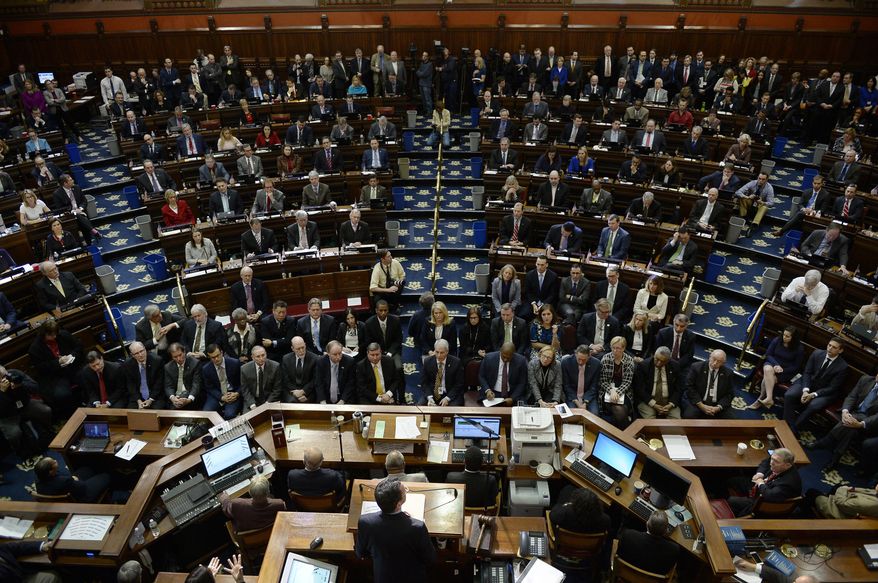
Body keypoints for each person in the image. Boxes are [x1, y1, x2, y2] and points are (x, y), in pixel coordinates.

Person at [355, 477, 436, 583]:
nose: (406, 491)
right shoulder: (417, 527)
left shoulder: (365, 522)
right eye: (405, 491)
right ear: (398, 504)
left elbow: (360, 553)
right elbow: (430, 558)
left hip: (383, 576)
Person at [808, 372, 878, 471]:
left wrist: (861, 424)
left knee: (850, 423)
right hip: (853, 412)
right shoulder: (866, 379)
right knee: (851, 429)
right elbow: (852, 396)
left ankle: (825, 441)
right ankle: (835, 459)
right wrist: (845, 411)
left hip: (870, 421)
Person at [782, 337, 848, 435]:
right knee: (789, 395)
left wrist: (813, 395)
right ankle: (786, 424)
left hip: (825, 392)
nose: (829, 348)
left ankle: (793, 429)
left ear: (840, 350)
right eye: (829, 345)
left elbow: (832, 387)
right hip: (808, 383)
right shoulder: (817, 353)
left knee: (813, 405)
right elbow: (807, 372)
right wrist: (805, 390)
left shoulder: (843, 367)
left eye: (834, 347)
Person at [727, 449, 802, 517]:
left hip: (763, 501)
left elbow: (769, 495)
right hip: (759, 486)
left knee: (731, 501)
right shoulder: (778, 460)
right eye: (772, 459)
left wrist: (760, 483)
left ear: (787, 465)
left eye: (776, 461)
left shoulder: (788, 484)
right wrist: (760, 473)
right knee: (732, 481)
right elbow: (765, 462)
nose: (771, 463)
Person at [0, 364, 51, 456]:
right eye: (2, 378)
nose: (6, 379)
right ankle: (19, 450)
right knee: (14, 435)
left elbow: (35, 387)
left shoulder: (14, 373)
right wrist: (2, 392)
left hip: (25, 405)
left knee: (45, 411)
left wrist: (21, 385)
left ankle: (48, 431)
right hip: (7, 416)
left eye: (6, 375)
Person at [750, 326, 804, 410]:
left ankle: (760, 400)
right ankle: (769, 398)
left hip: (785, 372)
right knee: (768, 369)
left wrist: (782, 370)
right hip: (772, 363)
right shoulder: (777, 340)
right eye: (784, 335)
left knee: (766, 380)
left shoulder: (799, 349)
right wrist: (775, 365)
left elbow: (796, 367)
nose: (784, 337)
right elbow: (768, 355)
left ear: (793, 338)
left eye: (787, 336)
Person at [616, 511, 680, 577]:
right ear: (665, 531)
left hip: (625, 574)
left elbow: (619, 551)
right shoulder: (674, 550)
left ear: (647, 524)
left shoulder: (628, 535)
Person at [219, 475, 284, 532]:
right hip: (269, 535)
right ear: (268, 491)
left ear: (250, 492)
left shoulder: (237, 504)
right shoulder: (279, 504)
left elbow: (227, 511)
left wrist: (225, 499)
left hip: (247, 540)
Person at [684, 349, 735, 419]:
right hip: (699, 402)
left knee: (731, 422)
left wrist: (718, 407)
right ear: (710, 357)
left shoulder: (728, 373)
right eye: (714, 359)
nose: (715, 363)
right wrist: (701, 405)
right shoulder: (696, 367)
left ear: (723, 363)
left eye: (719, 362)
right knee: (689, 417)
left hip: (717, 404)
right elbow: (689, 387)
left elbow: (729, 394)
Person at [34, 456, 110, 503]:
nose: (56, 460)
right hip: (82, 495)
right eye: (54, 462)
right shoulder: (64, 481)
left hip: (66, 489)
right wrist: (74, 480)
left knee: (87, 469)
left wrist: (71, 479)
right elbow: (82, 486)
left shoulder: (38, 481)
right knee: (107, 476)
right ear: (50, 471)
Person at [52, 174, 102, 244]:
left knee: (80, 218)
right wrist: (73, 211)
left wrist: (81, 208)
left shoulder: (76, 187)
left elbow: (84, 200)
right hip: (69, 215)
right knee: (78, 216)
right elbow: (59, 208)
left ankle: (89, 242)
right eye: (70, 180)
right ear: (65, 183)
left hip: (80, 211)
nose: (73, 181)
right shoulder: (57, 194)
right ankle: (93, 231)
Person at [634, 346, 682, 419]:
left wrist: (671, 404)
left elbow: (679, 388)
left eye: (663, 361)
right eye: (657, 359)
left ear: (668, 360)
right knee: (651, 423)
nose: (659, 363)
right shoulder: (644, 366)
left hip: (669, 402)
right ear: (654, 355)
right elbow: (640, 389)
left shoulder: (675, 366)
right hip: (648, 401)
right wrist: (654, 405)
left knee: (676, 422)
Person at [419, 339, 464, 406]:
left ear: (447, 352)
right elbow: (424, 383)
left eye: (442, 352)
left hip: (450, 393)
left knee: (451, 410)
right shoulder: (427, 361)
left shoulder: (456, 362)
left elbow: (459, 384)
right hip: (433, 393)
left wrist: (448, 398)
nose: (439, 355)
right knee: (421, 405)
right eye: (437, 352)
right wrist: (429, 397)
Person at [240, 346, 281, 410]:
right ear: (252, 357)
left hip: (269, 399)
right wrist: (252, 405)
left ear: (266, 354)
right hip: (252, 400)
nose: (261, 358)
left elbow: (277, 389)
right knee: (248, 419)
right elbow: (245, 390)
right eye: (258, 356)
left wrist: (268, 403)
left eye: (263, 355)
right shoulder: (244, 369)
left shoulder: (275, 366)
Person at [520, 255, 559, 320]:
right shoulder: (529, 275)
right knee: (523, 314)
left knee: (547, 316)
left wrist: (542, 305)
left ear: (546, 265)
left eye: (542, 265)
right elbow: (528, 292)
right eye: (538, 264)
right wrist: (534, 304)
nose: (540, 267)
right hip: (532, 302)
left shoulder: (553, 276)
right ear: (535, 263)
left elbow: (552, 295)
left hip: (547, 302)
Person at [164, 343, 202, 409]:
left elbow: (196, 384)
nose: (179, 359)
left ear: (184, 352)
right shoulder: (168, 367)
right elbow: (168, 386)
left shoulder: (195, 363)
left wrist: (189, 399)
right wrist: (173, 398)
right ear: (171, 357)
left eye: (180, 355)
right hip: (176, 397)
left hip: (189, 395)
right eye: (175, 357)